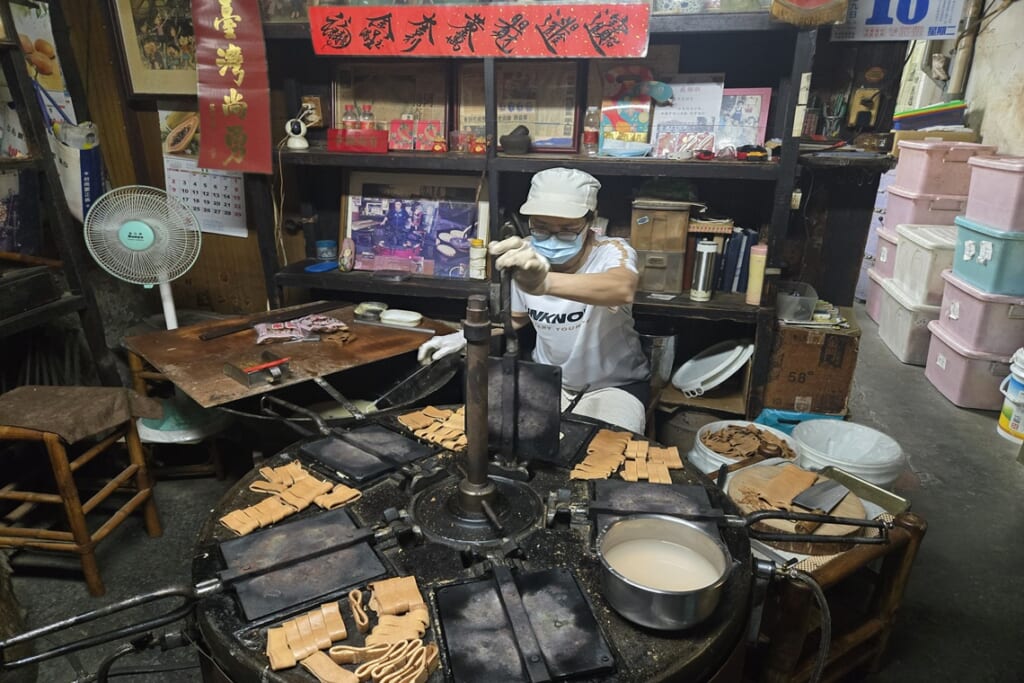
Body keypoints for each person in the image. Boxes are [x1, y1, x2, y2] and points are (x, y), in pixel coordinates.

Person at [418, 167, 651, 433]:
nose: (552, 238)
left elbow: (622, 287)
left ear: (591, 221)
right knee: (508, 439)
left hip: (613, 386)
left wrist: (545, 283)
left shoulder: (610, 251)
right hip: (549, 379)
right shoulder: (524, 255)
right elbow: (516, 319)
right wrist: (465, 336)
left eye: (567, 230)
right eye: (541, 228)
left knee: (603, 449)